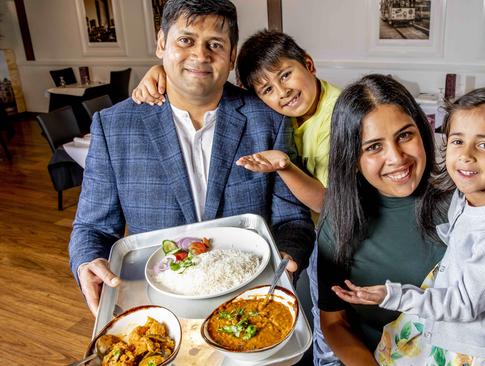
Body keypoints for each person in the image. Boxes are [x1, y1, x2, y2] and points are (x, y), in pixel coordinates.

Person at [69, 0, 315, 317]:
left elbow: (292, 220)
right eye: (186, 40)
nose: (200, 55)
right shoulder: (114, 126)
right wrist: (87, 262)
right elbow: (92, 228)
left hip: (252, 298)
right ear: (161, 43)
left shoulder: (268, 120)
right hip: (159, 308)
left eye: (215, 44)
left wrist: (289, 255)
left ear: (231, 56)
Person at [332, 87, 485, 365]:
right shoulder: (470, 194)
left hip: (473, 343)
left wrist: (392, 294)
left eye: (484, 145)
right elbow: (460, 231)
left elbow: (463, 305)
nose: (466, 155)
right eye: (458, 141)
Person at [317, 74, 450, 365]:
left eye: (405, 135)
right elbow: (334, 321)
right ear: (352, 158)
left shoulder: (463, 201)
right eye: (374, 147)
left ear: (422, 130)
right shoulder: (339, 220)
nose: (397, 157)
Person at [132, 30, 340, 214]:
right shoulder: (279, 111)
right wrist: (160, 72)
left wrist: (284, 166)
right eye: (267, 90)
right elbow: (216, 86)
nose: (283, 92)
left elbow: (327, 205)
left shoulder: (339, 120)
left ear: (309, 65)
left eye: (285, 75)